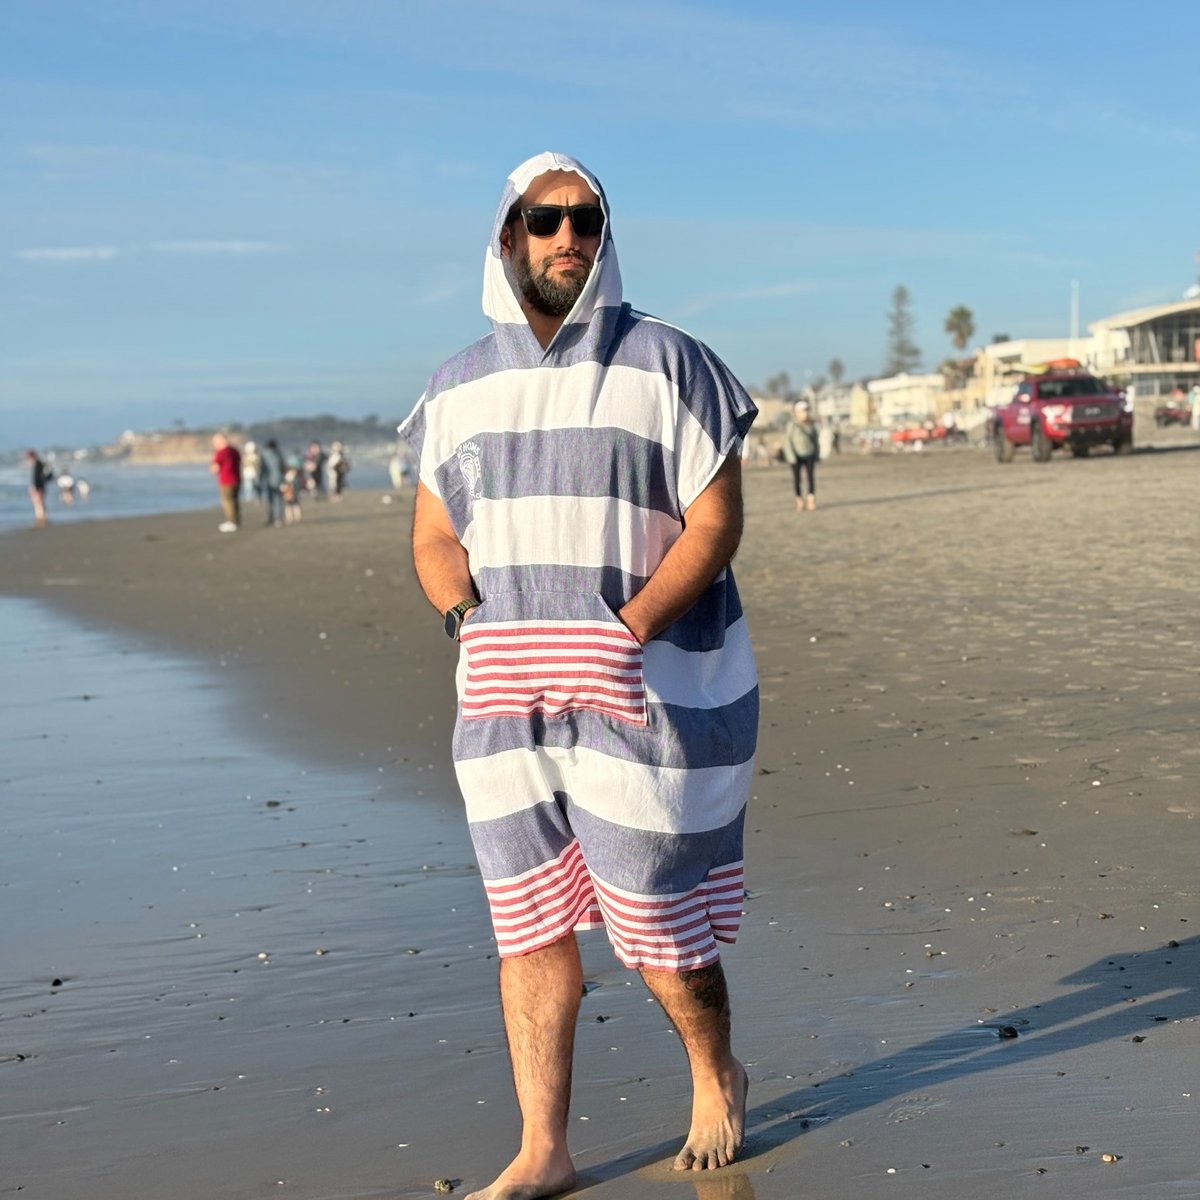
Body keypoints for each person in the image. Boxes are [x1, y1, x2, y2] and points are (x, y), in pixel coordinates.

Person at [400, 152, 759, 1198]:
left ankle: (714, 1071)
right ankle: (543, 1147)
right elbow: (431, 538)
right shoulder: (456, 387)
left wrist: (629, 625)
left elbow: (718, 520)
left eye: (586, 218)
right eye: (544, 219)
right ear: (507, 236)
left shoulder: (670, 361)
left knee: (653, 906)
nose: (567, 237)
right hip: (504, 702)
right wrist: (468, 620)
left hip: (642, 689)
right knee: (530, 919)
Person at [782, 401, 819, 511]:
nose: (805, 413)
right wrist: (791, 456)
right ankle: (799, 500)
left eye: (806, 410)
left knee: (811, 477)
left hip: (810, 453)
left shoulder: (812, 424)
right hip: (796, 456)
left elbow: (815, 441)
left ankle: (811, 499)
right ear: (796, 412)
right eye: (802, 411)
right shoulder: (791, 425)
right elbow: (787, 441)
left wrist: (816, 454)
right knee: (797, 479)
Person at [209, 433, 242, 532]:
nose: (214, 444)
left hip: (226, 480)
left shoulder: (221, 452)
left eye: (215, 442)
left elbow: (215, 468)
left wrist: (212, 464)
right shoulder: (235, 451)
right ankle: (236, 521)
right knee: (235, 501)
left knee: (228, 502)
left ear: (220, 441)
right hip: (237, 479)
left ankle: (231, 522)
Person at [261, 439, 286, 526]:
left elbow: (262, 469)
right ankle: (278, 519)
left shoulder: (264, 455)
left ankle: (270, 518)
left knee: (270, 500)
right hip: (279, 479)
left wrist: (260, 480)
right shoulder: (278, 454)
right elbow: (283, 467)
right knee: (279, 499)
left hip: (268, 480)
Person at [26, 450, 51, 526]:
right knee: (41, 503)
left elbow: (36, 477)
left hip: (38, 486)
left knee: (38, 503)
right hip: (41, 486)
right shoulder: (40, 463)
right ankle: (43, 517)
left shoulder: (37, 464)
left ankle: (41, 518)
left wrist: (34, 487)